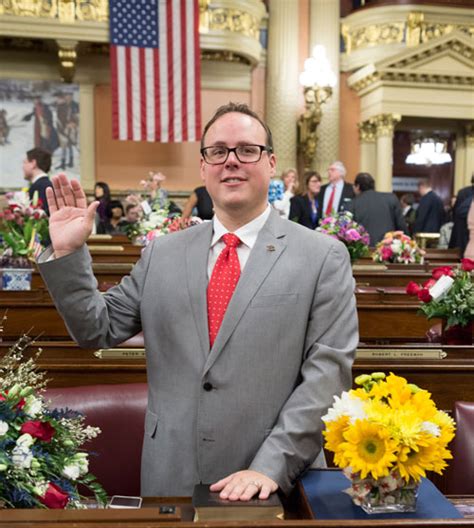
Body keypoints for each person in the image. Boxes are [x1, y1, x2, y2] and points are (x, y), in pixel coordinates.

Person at [38, 103, 358, 501]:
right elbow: (95, 328)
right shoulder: (162, 254)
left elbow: (327, 374)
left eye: (247, 150)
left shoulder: (322, 256)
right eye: (218, 151)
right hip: (172, 473)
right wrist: (69, 254)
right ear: (203, 167)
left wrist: (270, 465)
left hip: (277, 481)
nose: (231, 162)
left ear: (271, 162)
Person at [349, 173, 407, 246]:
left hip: (363, 251)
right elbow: (401, 226)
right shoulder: (391, 199)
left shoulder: (352, 204)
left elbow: (348, 231)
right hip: (387, 250)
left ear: (357, 186)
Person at [22, 147, 52, 215]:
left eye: (24, 162)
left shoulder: (42, 186)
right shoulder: (45, 185)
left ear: (33, 163)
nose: (23, 167)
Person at [449, 175, 474, 254]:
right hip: (466, 236)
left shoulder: (463, 192)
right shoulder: (465, 194)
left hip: (461, 238)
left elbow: (455, 215)